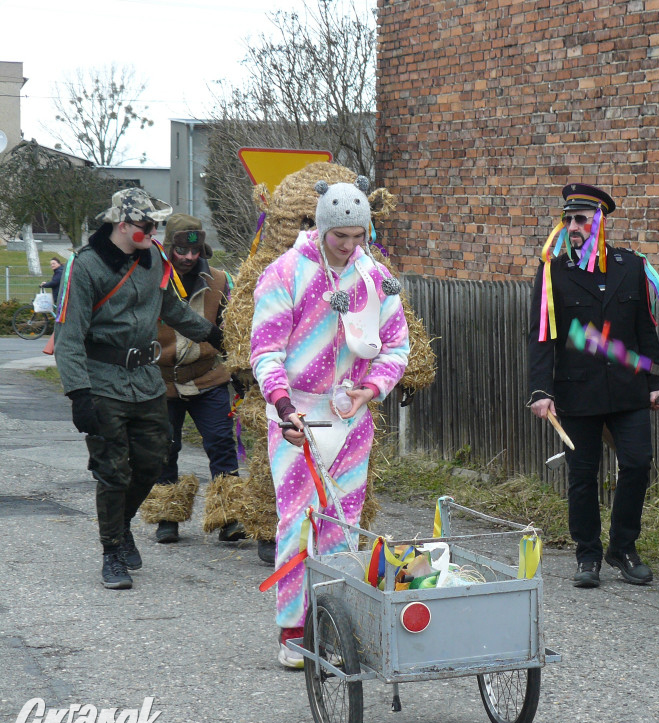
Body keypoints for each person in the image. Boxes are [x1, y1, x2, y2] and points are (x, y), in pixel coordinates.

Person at [250, 178, 409, 668]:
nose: (350, 245)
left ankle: (336, 621)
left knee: (344, 522)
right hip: (298, 415)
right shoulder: (285, 274)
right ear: (321, 227)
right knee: (299, 520)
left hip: (352, 415)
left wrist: (372, 388)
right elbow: (265, 349)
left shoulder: (376, 277)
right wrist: (281, 405)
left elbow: (397, 346)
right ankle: (294, 628)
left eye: (359, 236)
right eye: (341, 235)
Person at [53, 188, 224, 590]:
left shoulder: (153, 259)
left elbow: (173, 309)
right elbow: (69, 336)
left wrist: (214, 335)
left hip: (146, 381)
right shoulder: (87, 266)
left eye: (156, 225)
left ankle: (122, 524)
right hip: (103, 382)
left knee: (152, 461)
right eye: (147, 225)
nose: (154, 231)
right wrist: (79, 394)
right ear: (123, 224)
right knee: (113, 470)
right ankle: (112, 551)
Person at [527, 183, 659, 589]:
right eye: (567, 219)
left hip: (628, 391)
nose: (572, 226)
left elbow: (645, 330)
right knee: (583, 476)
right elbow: (541, 336)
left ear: (599, 223)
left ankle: (623, 548)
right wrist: (540, 390)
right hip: (576, 391)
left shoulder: (631, 266)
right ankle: (587, 554)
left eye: (580, 219)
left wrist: (656, 382)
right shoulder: (553, 272)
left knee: (638, 463)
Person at [142, 214, 242, 545]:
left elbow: (233, 334)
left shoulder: (220, 281)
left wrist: (241, 374)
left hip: (208, 378)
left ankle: (229, 518)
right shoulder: (147, 281)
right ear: (168, 248)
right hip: (161, 382)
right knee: (164, 449)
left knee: (221, 443)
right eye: (180, 251)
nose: (187, 258)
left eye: (194, 251)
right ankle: (167, 517)